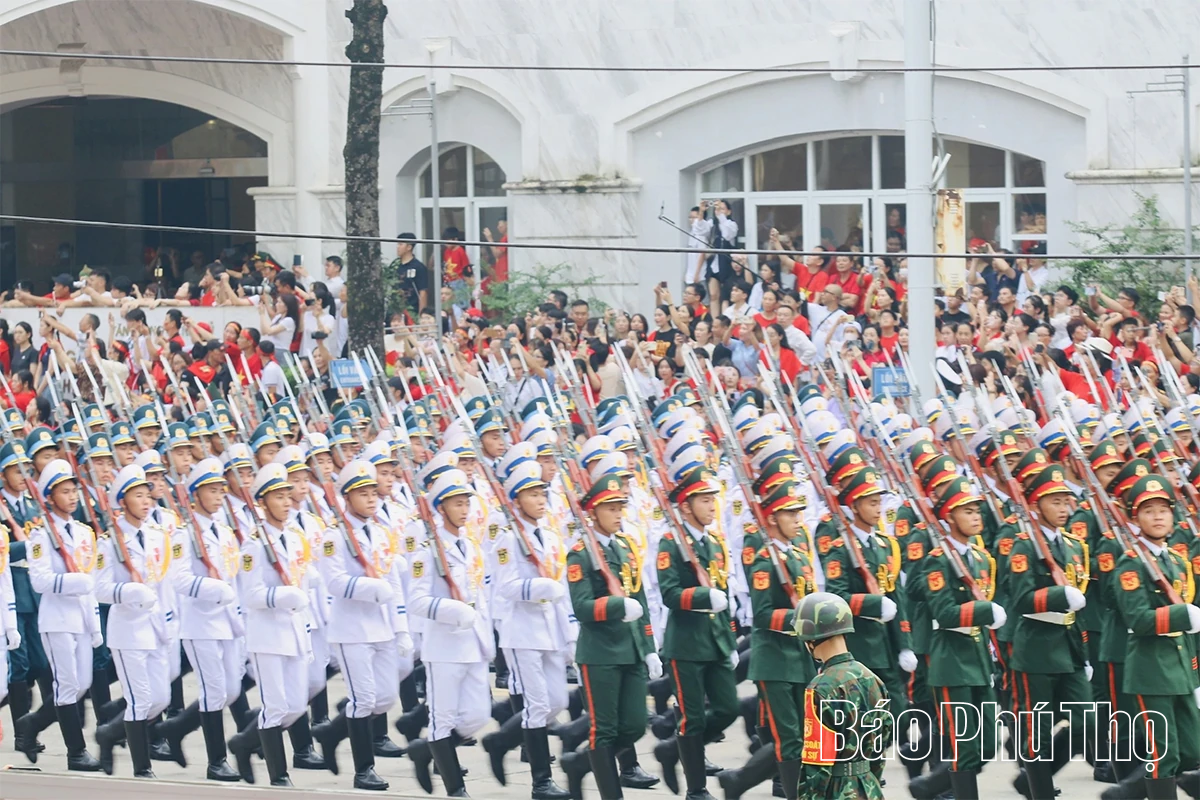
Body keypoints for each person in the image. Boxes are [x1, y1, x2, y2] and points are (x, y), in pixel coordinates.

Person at [312, 459, 409, 790]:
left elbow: (393, 582)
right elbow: (334, 581)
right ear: (348, 498)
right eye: (363, 494)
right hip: (351, 628)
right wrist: (370, 588)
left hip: (381, 625)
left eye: (373, 493)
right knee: (365, 699)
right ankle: (363, 770)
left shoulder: (381, 532)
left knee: (384, 699)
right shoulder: (334, 535)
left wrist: (402, 628)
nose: (371, 499)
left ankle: (330, 733)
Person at [563, 473, 661, 800]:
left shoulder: (625, 547)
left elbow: (642, 599)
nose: (619, 512)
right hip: (601, 653)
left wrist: (649, 647)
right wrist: (617, 605)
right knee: (603, 730)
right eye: (611, 507)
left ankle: (580, 764)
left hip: (631, 650)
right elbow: (582, 606)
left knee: (633, 725)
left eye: (621, 506)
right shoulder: (581, 553)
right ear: (593, 511)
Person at [908, 477, 1007, 800]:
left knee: (989, 741)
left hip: (977, 658)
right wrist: (984, 610)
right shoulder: (938, 560)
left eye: (977, 510)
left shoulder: (979, 558)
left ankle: (929, 785)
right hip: (950, 660)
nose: (976, 516)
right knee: (964, 744)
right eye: (966, 511)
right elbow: (946, 613)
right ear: (949, 517)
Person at [484, 460, 574, 800]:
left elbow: (561, 586)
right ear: (516, 500)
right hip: (522, 632)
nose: (540, 500)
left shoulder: (550, 537)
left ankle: (501, 740)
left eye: (542, 493)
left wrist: (570, 633)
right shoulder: (507, 540)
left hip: (550, 628)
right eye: (532, 494)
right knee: (538, 705)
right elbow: (506, 587)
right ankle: (541, 783)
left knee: (557, 701)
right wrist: (538, 588)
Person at [405, 467, 494, 797]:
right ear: (440, 507)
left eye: (466, 503)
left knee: (477, 715)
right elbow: (415, 600)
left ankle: (426, 752)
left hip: (473, 642)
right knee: (442, 718)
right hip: (443, 646)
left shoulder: (471, 546)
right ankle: (456, 789)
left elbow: (479, 593)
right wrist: (451, 611)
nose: (464, 509)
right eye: (457, 503)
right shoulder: (427, 549)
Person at [1111, 475, 1200, 799]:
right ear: (1135, 518)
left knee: (1193, 750)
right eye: (1149, 510)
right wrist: (1182, 615)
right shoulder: (1131, 566)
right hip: (1151, 672)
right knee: (1164, 754)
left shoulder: (1175, 562)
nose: (1158, 516)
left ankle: (1124, 794)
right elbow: (1137, 619)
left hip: (1179, 670)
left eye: (1163, 509)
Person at [652, 465, 738, 799]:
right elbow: (670, 594)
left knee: (728, 709)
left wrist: (729, 638)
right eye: (703, 500)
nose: (711, 506)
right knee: (693, 718)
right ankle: (696, 789)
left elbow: (724, 593)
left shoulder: (715, 543)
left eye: (712, 499)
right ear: (686, 506)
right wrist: (704, 597)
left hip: (715, 641)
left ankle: (672, 750)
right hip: (686, 644)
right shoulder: (671, 542)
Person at [1006, 463, 1090, 800]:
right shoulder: (1024, 546)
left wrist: (1082, 654)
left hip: (1068, 649)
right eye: (1054, 501)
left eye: (1065, 501)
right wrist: (1057, 596)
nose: (1063, 508)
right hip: (1037, 651)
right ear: (1036, 504)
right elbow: (1021, 599)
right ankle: (1041, 792)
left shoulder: (1072, 546)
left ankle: (1030, 781)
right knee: (1035, 735)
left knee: (1087, 722)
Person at [228, 462, 313, 787]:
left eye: (287, 495)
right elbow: (251, 595)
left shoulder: (293, 538)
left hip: (293, 631)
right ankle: (279, 775)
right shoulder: (253, 544)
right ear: (262, 502)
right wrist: (284, 596)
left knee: (295, 705)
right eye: (278, 497)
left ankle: (244, 743)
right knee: (276, 706)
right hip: (267, 636)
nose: (286, 502)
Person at [93, 463, 179, 778]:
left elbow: (166, 583)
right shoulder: (110, 541)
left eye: (148, 495)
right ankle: (142, 767)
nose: (146, 501)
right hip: (128, 631)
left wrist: (171, 621)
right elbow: (99, 589)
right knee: (140, 699)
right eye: (138, 496)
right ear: (123, 500)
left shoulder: (158, 537)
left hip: (156, 626)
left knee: (161, 698)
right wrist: (128, 591)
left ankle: (108, 734)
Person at [21, 458, 102, 772]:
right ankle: (76, 753)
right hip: (56, 619)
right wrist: (72, 583)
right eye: (64, 492)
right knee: (68, 686)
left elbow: (90, 580)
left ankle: (32, 724)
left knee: (81, 684)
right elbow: (39, 581)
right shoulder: (41, 535)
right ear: (49, 497)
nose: (72, 497)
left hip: (80, 617)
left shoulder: (83, 533)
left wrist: (94, 623)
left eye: (73, 491)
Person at [793, 591, 891, 800]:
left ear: (810, 638)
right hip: (869, 788)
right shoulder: (873, 679)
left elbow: (816, 765)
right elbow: (880, 748)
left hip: (836, 792)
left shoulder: (820, 688)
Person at [395, 233, 430, 315]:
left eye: (400, 244)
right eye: (397, 244)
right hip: (396, 310)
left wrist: (421, 314)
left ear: (409, 247)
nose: (397, 247)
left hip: (412, 309)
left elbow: (423, 292)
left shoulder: (419, 267)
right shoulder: (395, 266)